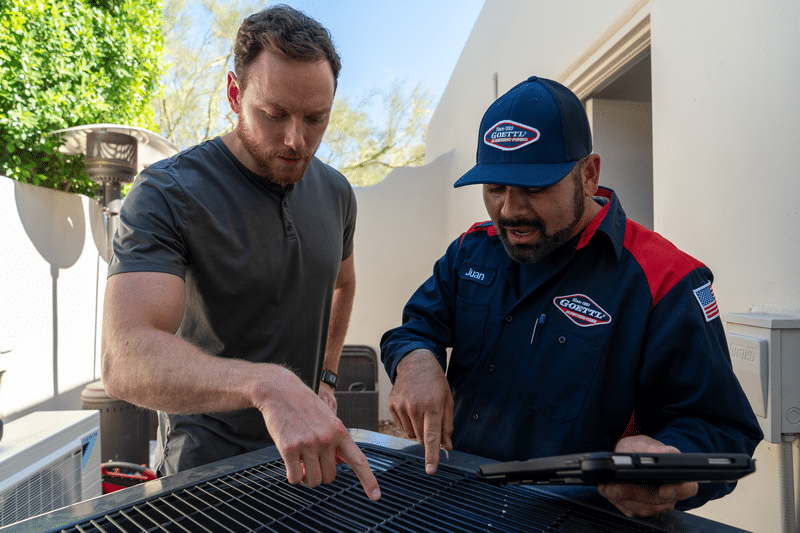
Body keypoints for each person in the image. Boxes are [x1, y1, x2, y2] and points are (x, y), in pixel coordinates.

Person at [380, 76, 762, 517]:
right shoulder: (472, 248)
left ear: (589, 174)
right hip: (456, 505)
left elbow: (722, 428)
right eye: (495, 188)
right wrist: (414, 360)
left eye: (534, 188)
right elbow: (413, 329)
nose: (509, 210)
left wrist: (671, 459)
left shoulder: (666, 279)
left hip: (580, 520)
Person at [101, 4, 380, 501]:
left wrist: (327, 378)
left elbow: (344, 283)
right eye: (273, 115)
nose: (296, 139)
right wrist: (266, 385)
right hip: (204, 473)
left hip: (310, 458)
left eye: (316, 118)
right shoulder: (168, 193)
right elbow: (124, 356)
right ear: (235, 93)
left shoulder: (337, 192)